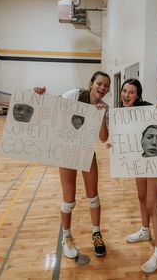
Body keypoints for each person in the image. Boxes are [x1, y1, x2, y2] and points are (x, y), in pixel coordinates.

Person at [34, 71, 111, 259]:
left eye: (106, 85)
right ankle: (66, 236)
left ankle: (96, 233)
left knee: (93, 196)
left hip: (86, 151)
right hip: (67, 151)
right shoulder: (74, 95)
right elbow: (54, 110)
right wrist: (41, 97)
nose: (102, 88)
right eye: (99, 83)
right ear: (91, 83)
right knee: (69, 198)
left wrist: (100, 116)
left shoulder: (104, 107)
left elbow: (103, 138)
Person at [113, 78, 157, 273]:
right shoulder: (121, 112)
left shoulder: (147, 108)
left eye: (131, 92)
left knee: (153, 203)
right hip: (140, 160)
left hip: (155, 161)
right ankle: (145, 231)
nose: (126, 95)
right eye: (124, 91)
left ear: (138, 95)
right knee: (142, 198)